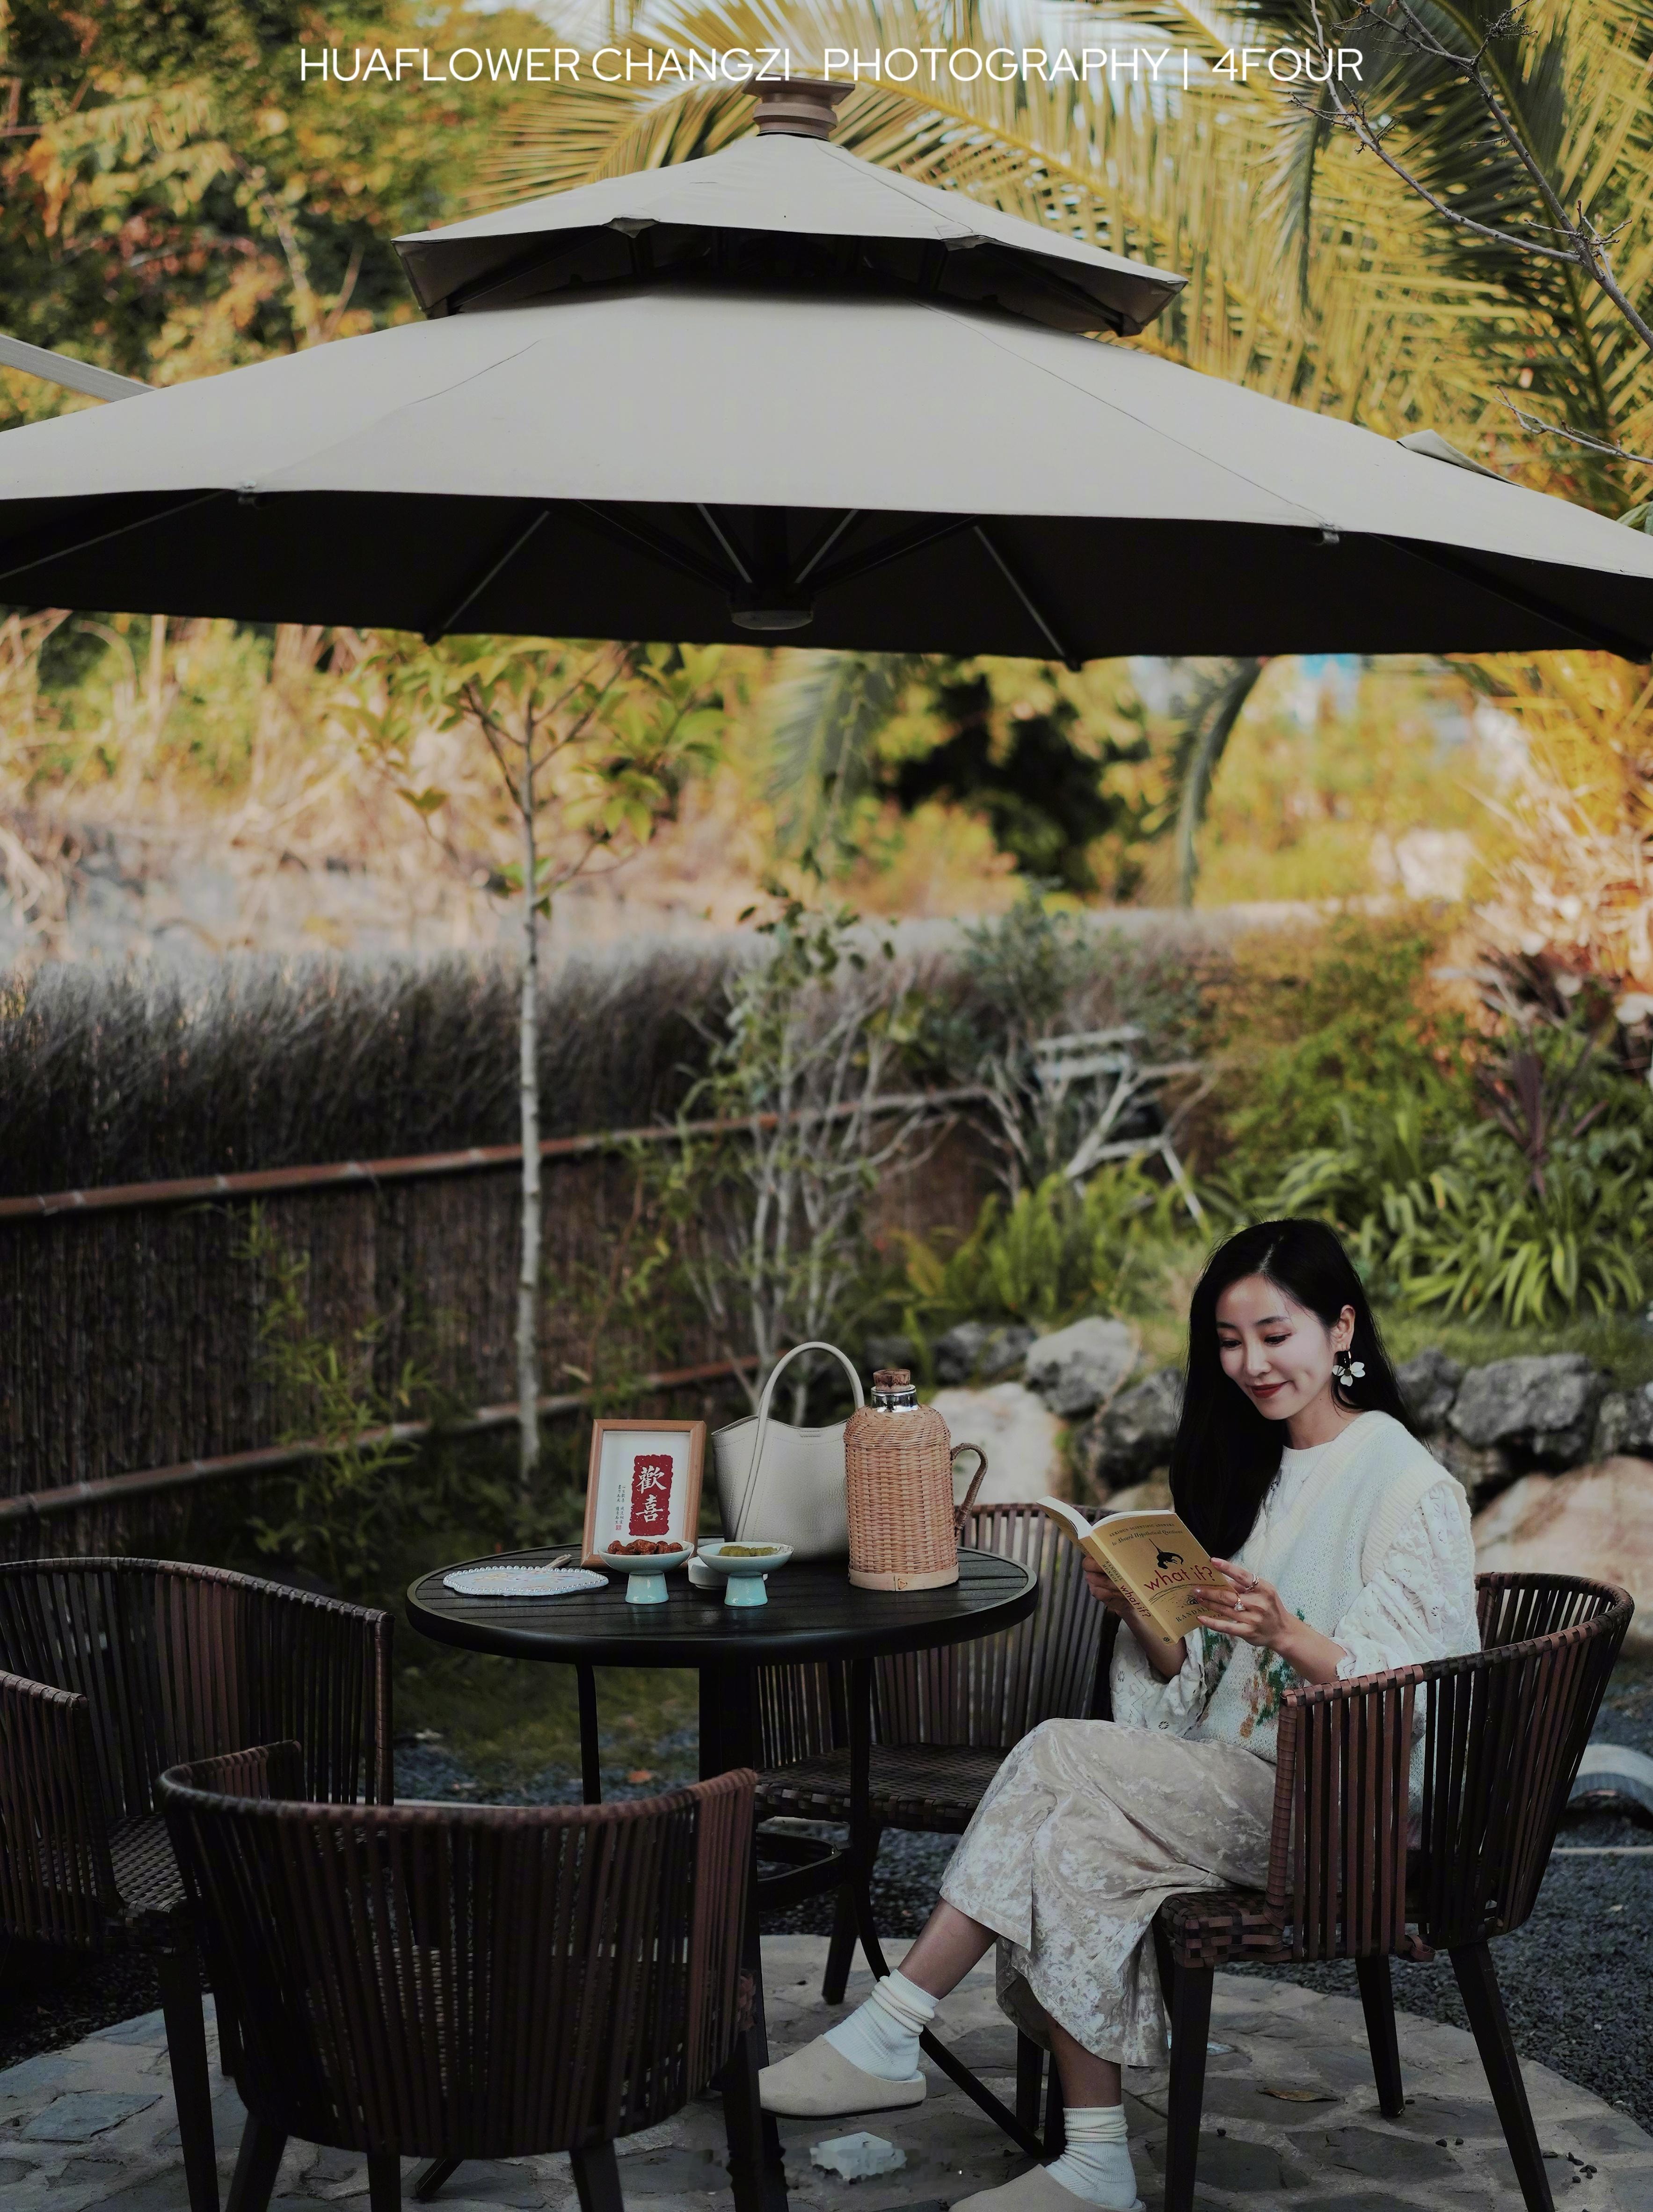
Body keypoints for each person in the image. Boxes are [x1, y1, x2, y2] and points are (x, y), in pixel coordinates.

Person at [759, 1219, 1479, 2212]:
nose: (1252, 1364)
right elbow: (1195, 1689)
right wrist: (1143, 1613)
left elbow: (1427, 1689)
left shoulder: (1408, 1487)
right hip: (1235, 1788)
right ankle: (1096, 2163)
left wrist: (1290, 1634)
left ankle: (894, 2023)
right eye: (1229, 1343)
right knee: (1074, 1839)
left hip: (1339, 1813)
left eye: (1275, 1335)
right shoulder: (1262, 1473)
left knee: (1055, 1754)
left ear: (1341, 1328)